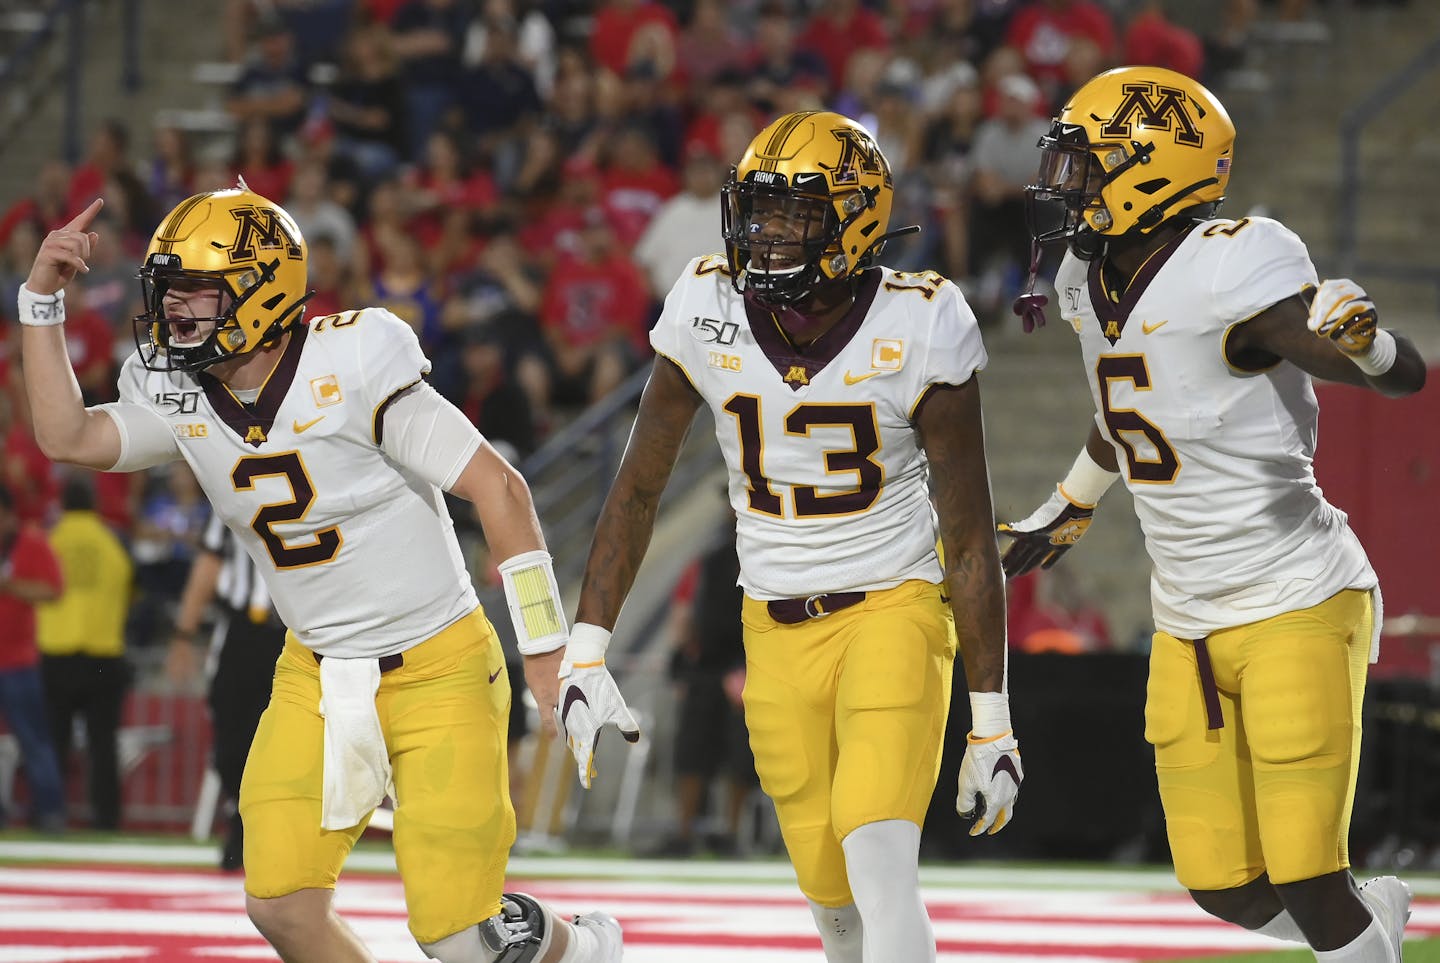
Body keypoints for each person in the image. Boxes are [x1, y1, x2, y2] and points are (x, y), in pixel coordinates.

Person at [16, 185, 627, 963]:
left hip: (437, 665)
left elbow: (499, 487)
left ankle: (584, 951)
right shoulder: (177, 391)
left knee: (458, 937)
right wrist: (41, 302)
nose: (175, 315)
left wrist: (543, 646)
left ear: (261, 288)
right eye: (169, 295)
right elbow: (68, 435)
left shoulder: (354, 358)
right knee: (280, 905)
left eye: (196, 294)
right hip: (316, 675)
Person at [565, 110, 1021, 963]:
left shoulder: (921, 320)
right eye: (760, 211)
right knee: (831, 900)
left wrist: (990, 718)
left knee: (878, 857)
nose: (768, 234)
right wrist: (585, 652)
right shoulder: (704, 302)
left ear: (856, 218)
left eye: (796, 215)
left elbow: (966, 536)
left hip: (895, 606)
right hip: (770, 623)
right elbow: (637, 489)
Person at [1001, 65, 1426, 962]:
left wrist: (1371, 343)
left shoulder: (1235, 259)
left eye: (1089, 164)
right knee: (1224, 886)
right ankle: (1367, 931)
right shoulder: (1086, 277)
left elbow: (1380, 373)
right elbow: (1130, 409)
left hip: (1295, 596)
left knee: (1310, 875)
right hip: (1187, 615)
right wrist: (1067, 503)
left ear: (1153, 168)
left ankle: (1358, 935)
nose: (1066, 183)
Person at [167, 511, 287, 871]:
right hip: (243, 633)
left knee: (288, 743)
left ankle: (268, 833)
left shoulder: (328, 488)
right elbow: (208, 563)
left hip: (300, 635)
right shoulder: (231, 490)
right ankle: (243, 817)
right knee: (229, 750)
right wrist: (184, 634)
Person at [37, 474, 134, 830]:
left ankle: (49, 814)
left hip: (56, 651)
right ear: (94, 505)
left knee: (53, 742)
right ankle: (107, 820)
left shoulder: (50, 541)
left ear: (62, 504)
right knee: (103, 746)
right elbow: (132, 589)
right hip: (103, 653)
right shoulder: (114, 542)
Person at [0, 484, 66, 831]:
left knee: (35, 741)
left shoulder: (31, 544)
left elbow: (54, 590)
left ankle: (50, 813)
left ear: (10, 516)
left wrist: (9, 585)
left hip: (17, 662)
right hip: (15, 662)